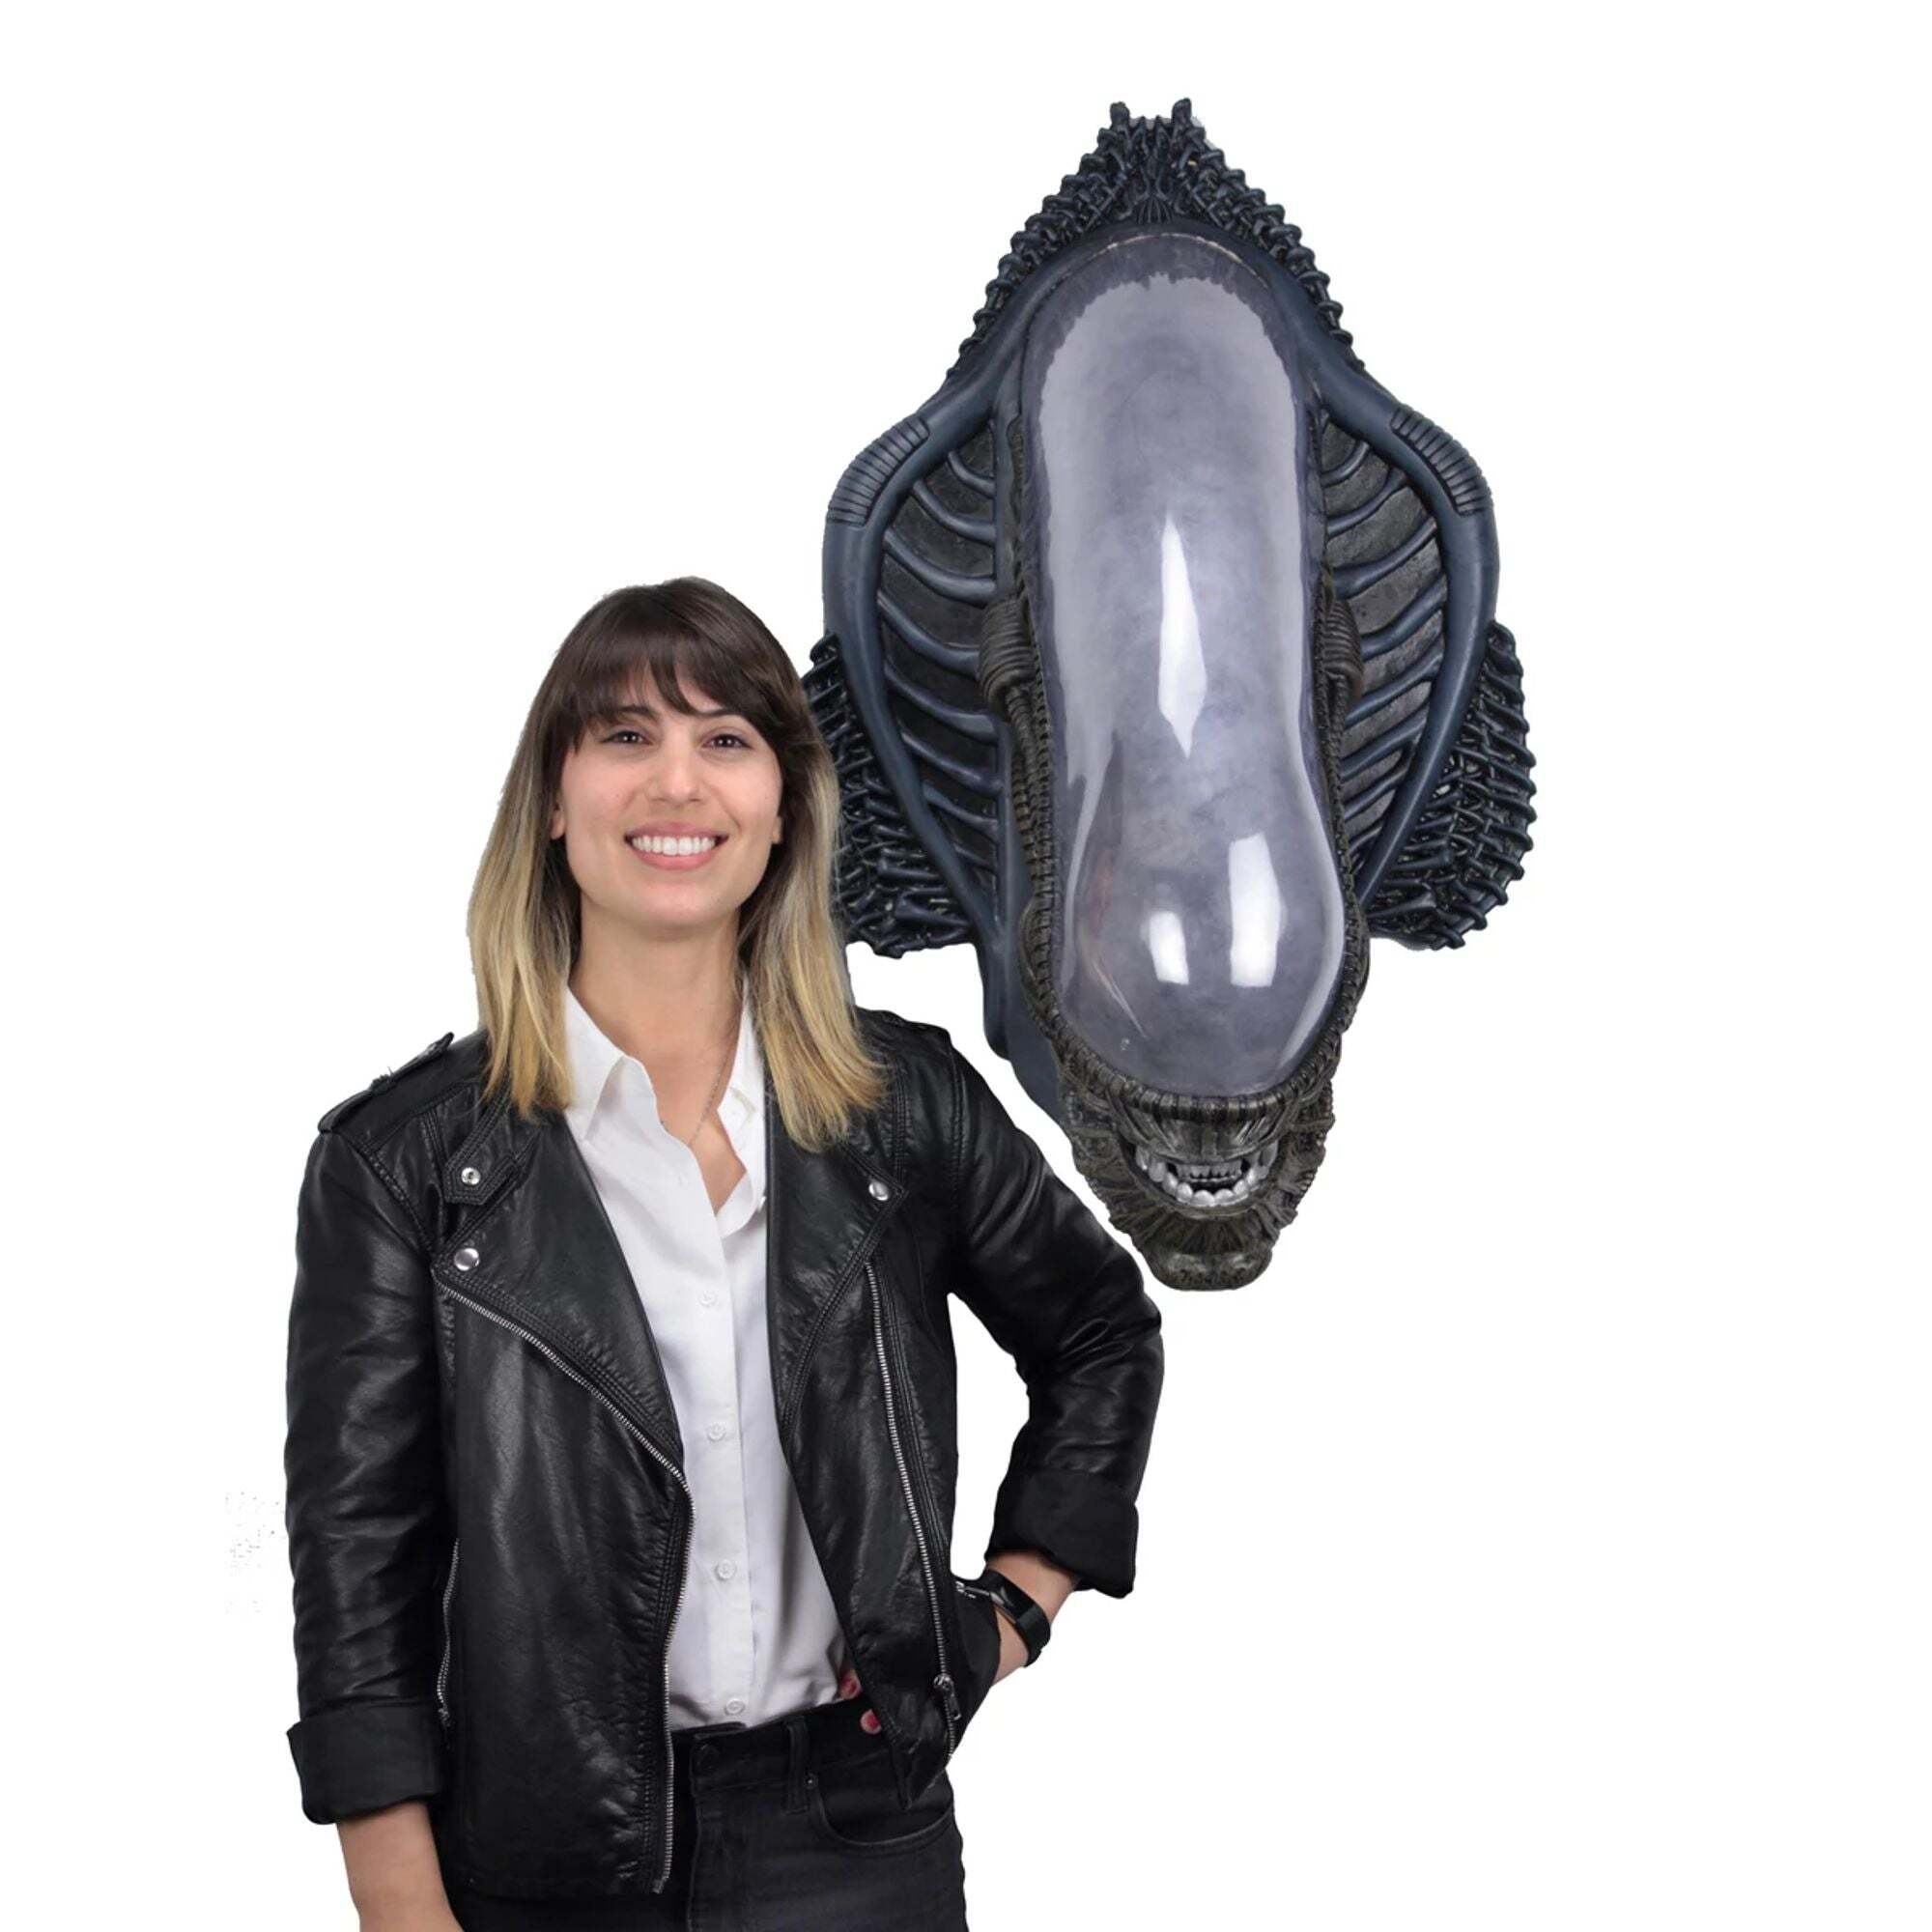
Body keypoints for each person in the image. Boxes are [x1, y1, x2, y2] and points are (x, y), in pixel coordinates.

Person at [283, 577, 1165, 1929]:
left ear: (784, 806)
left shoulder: (906, 1107)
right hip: (545, 1863)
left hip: (862, 1843)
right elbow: (359, 1558)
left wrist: (1016, 1607)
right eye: (626, 736)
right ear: (555, 799)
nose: (677, 783)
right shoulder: (404, 1164)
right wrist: (399, 1903)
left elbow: (1100, 1327)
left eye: (727, 739)